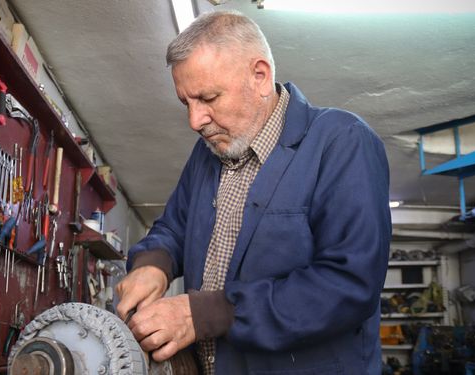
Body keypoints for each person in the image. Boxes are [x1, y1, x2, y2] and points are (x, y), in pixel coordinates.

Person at [116, 10, 391, 375]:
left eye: (208, 98)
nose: (194, 121)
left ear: (259, 76)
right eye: (187, 103)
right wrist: (154, 265)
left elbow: (348, 286)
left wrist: (205, 314)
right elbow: (173, 228)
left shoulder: (341, 141)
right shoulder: (208, 152)